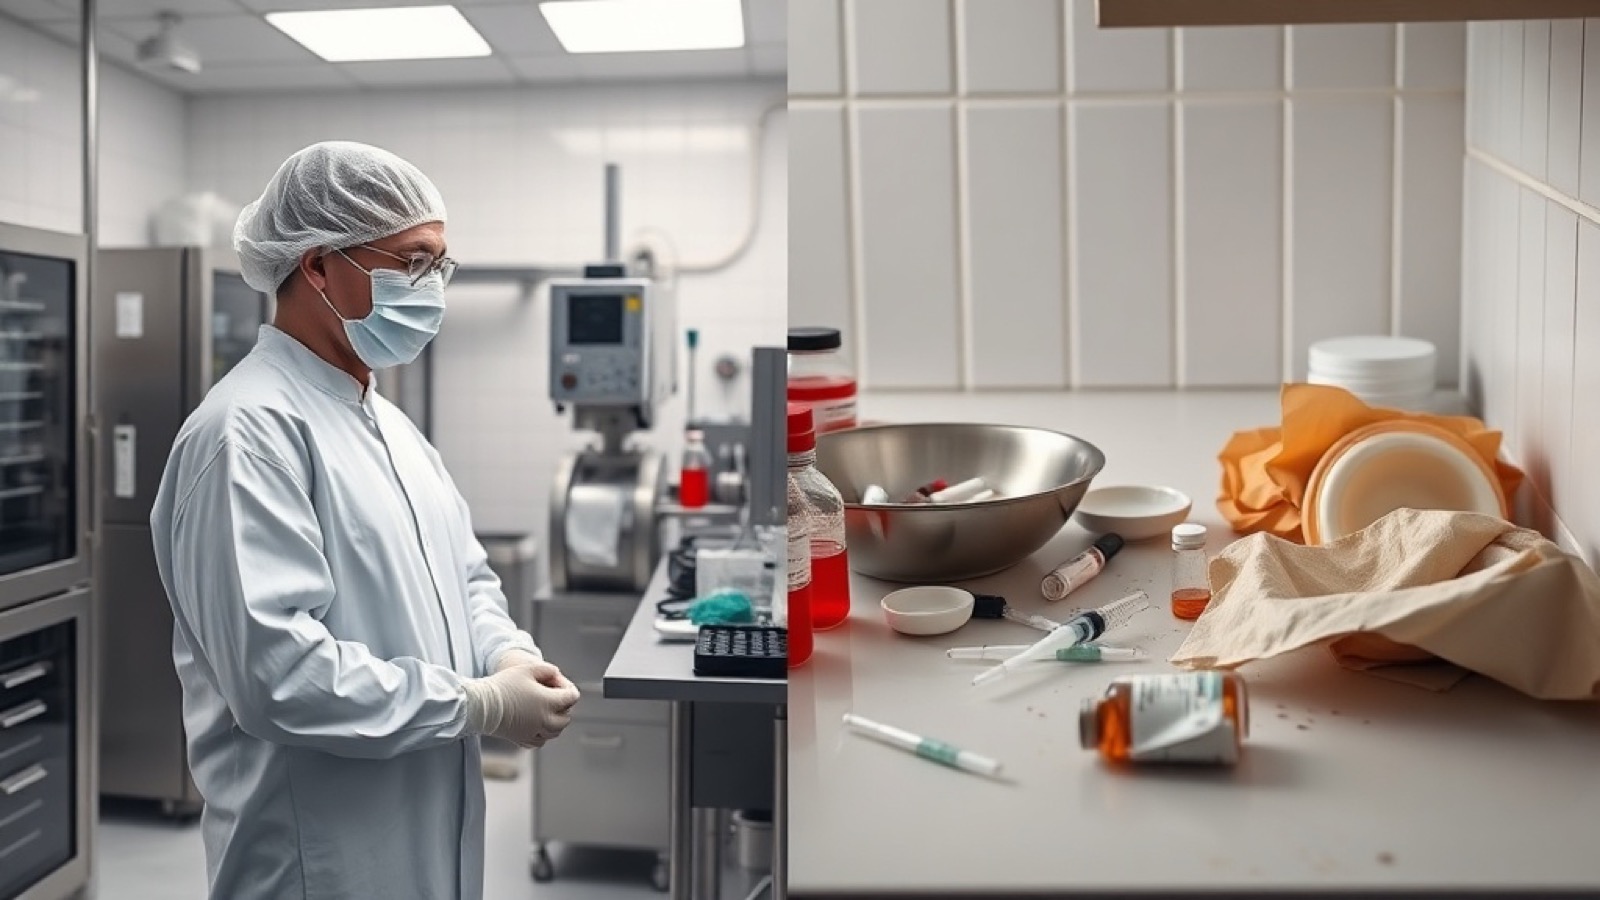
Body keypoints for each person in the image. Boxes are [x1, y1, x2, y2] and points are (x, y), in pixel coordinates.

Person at [149, 141, 580, 900]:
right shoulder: (246, 435)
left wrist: (506, 654)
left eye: (440, 267)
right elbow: (279, 677)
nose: (433, 290)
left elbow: (466, 576)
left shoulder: (387, 423)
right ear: (318, 266)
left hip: (421, 838)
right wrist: (475, 703)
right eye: (412, 262)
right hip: (317, 859)